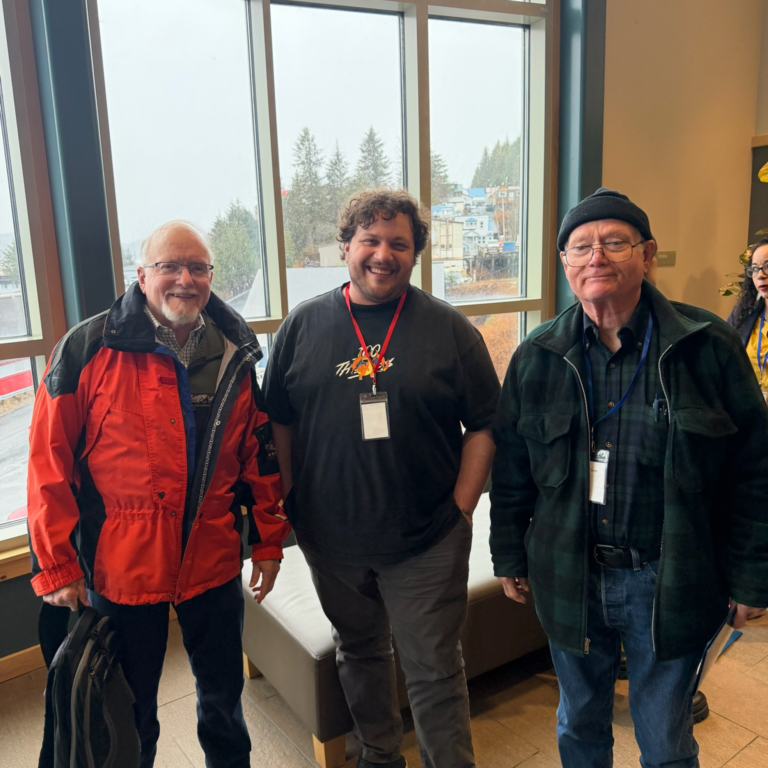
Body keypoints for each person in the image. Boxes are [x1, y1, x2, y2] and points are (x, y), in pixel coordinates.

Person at [490, 187, 768, 768]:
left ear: (648, 255)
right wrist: (509, 555)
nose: (598, 256)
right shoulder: (538, 356)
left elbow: (754, 473)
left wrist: (752, 578)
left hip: (670, 578)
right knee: (578, 725)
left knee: (665, 740)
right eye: (581, 246)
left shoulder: (707, 347)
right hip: (570, 574)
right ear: (565, 264)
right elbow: (513, 470)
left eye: (616, 242)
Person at [27, 220, 290, 768]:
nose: (185, 279)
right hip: (122, 568)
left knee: (223, 704)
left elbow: (259, 455)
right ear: (140, 274)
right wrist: (56, 564)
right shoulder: (85, 349)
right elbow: (47, 463)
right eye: (170, 266)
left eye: (197, 267)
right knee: (128, 711)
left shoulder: (234, 353)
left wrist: (268, 541)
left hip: (212, 561)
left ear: (211, 277)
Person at [262, 189, 500, 768]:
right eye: (370, 240)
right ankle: (378, 756)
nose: (383, 254)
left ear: (416, 253)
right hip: (331, 541)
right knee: (359, 652)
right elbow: (280, 425)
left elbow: (486, 426)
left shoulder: (448, 329)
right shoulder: (302, 326)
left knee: (434, 669)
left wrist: (462, 507)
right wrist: (292, 502)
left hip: (427, 540)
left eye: (399, 243)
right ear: (346, 246)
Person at [726, 236, 768, 399]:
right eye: (755, 269)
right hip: (751, 416)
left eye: (767, 266)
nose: (760, 275)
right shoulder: (742, 316)